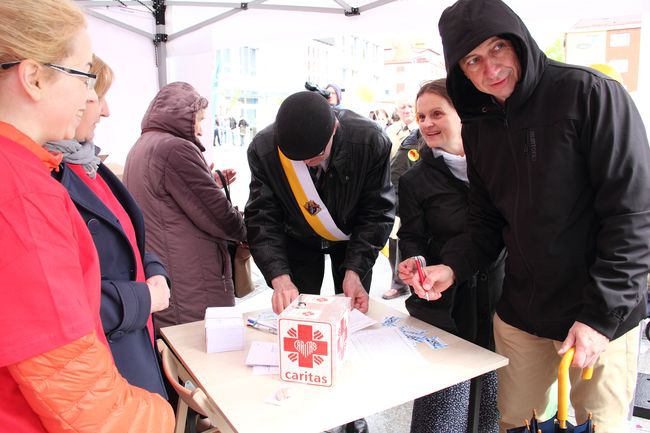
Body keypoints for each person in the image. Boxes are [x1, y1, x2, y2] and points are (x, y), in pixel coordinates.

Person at [400, 0, 650, 432]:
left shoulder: (591, 94)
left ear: (519, 40)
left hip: (597, 317)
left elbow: (633, 216)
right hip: (521, 313)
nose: (489, 68)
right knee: (514, 422)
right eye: (473, 59)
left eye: (498, 48)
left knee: (598, 426)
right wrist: (452, 267)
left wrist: (600, 317)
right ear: (459, 69)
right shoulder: (477, 124)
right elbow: (484, 220)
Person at [0, 1, 174, 432]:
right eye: (83, 76)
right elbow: (82, 400)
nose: (89, 96)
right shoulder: (19, 189)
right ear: (34, 78)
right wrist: (161, 417)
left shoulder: (32, 171)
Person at [245, 90, 394, 433]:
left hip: (351, 238)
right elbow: (261, 217)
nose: (309, 164)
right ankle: (306, 406)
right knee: (301, 329)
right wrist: (279, 277)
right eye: (298, 158)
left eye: (316, 156)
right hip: (299, 240)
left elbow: (377, 211)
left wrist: (356, 269)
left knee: (351, 322)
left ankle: (352, 410)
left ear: (334, 129)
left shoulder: (370, 140)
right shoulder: (265, 148)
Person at [46, 55, 170, 398]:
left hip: (134, 344)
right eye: (97, 96)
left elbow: (130, 239)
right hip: (102, 362)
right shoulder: (47, 177)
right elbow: (55, 299)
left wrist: (155, 271)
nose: (104, 110)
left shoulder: (90, 166)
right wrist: (142, 297)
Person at [398, 79, 504, 433]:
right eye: (421, 116)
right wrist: (415, 265)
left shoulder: (496, 166)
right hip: (446, 308)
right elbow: (411, 236)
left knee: (493, 410)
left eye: (437, 113)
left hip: (499, 303)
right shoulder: (414, 180)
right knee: (441, 416)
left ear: (462, 115)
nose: (427, 123)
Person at [124, 82, 246, 335]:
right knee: (200, 359)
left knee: (174, 357)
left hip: (167, 271)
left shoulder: (142, 145)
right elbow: (217, 214)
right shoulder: (176, 148)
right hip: (192, 281)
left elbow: (167, 200)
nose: (200, 129)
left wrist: (208, 180)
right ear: (181, 116)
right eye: (197, 120)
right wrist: (249, 231)